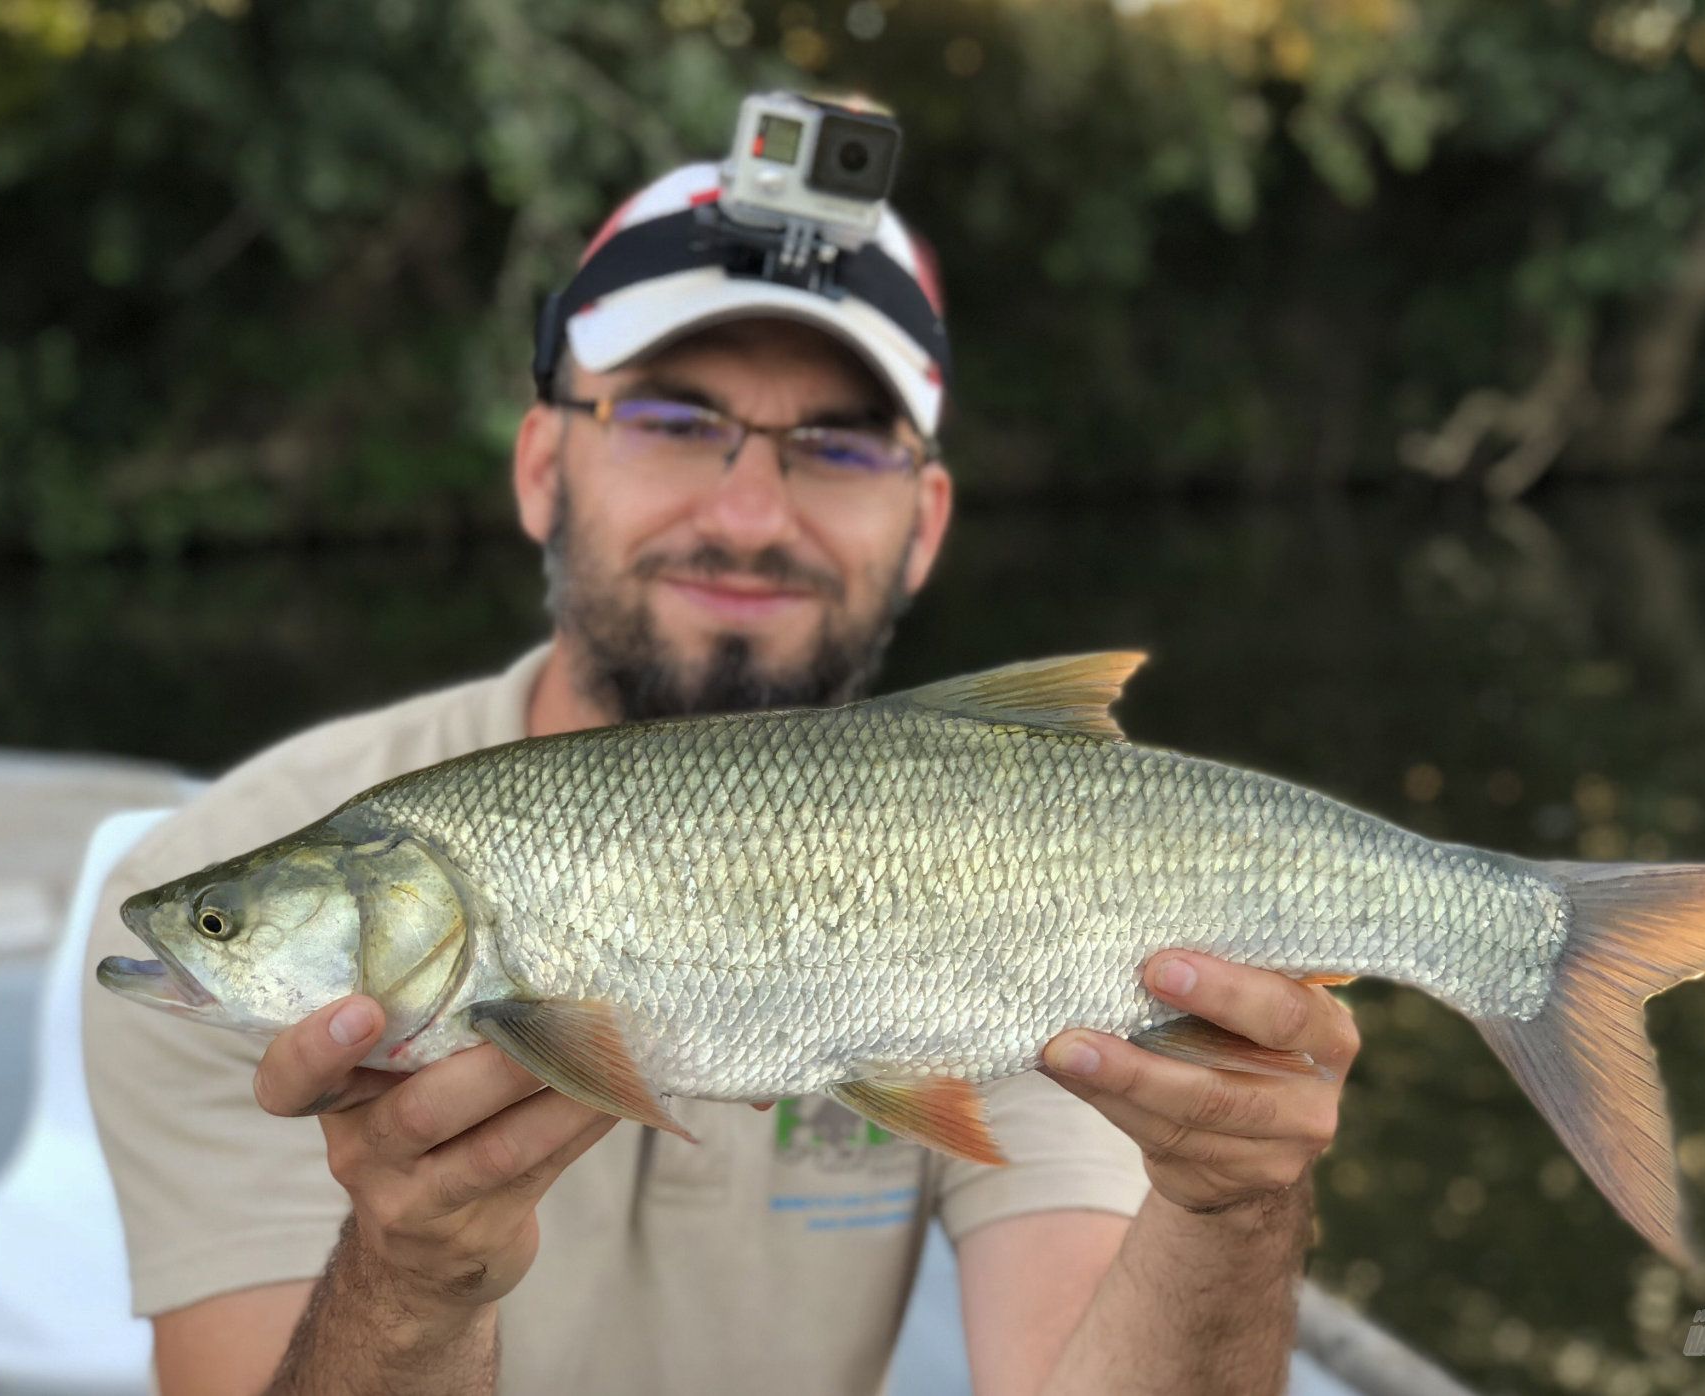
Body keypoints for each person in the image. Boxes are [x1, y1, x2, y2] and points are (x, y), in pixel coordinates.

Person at [82, 159, 1360, 1396]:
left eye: (841, 444)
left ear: (925, 526)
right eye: (675, 421)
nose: (750, 515)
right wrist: (408, 1279)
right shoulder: (213, 879)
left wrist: (1236, 1210)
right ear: (540, 466)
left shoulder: (1010, 848)